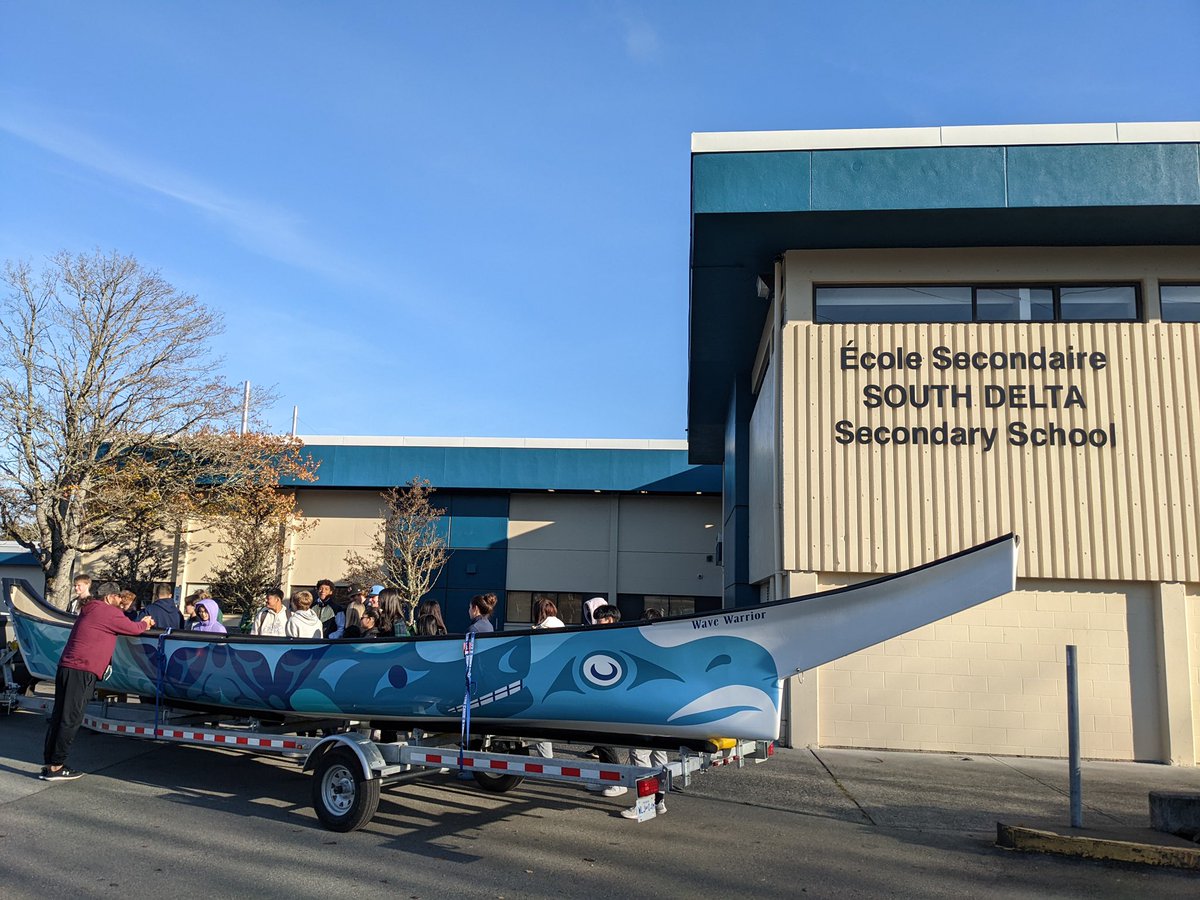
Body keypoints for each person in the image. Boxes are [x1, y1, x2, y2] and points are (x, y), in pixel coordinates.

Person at [42, 581, 155, 780]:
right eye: (118, 597)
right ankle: (57, 766)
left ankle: (50, 763)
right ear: (110, 597)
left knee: (60, 715)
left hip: (68, 667)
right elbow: (134, 628)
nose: (121, 600)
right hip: (83, 669)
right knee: (71, 719)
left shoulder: (90, 609)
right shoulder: (107, 612)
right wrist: (146, 622)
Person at [585, 604, 627, 797]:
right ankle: (606, 779)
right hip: (598, 695)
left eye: (600, 619)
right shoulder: (606, 636)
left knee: (604, 739)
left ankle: (618, 782)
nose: (597, 622)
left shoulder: (616, 637)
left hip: (608, 697)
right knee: (598, 739)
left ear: (610, 619)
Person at [530, 597, 567, 760]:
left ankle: (546, 761)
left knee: (538, 725)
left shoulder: (542, 629)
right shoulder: (560, 625)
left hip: (542, 681)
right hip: (558, 678)